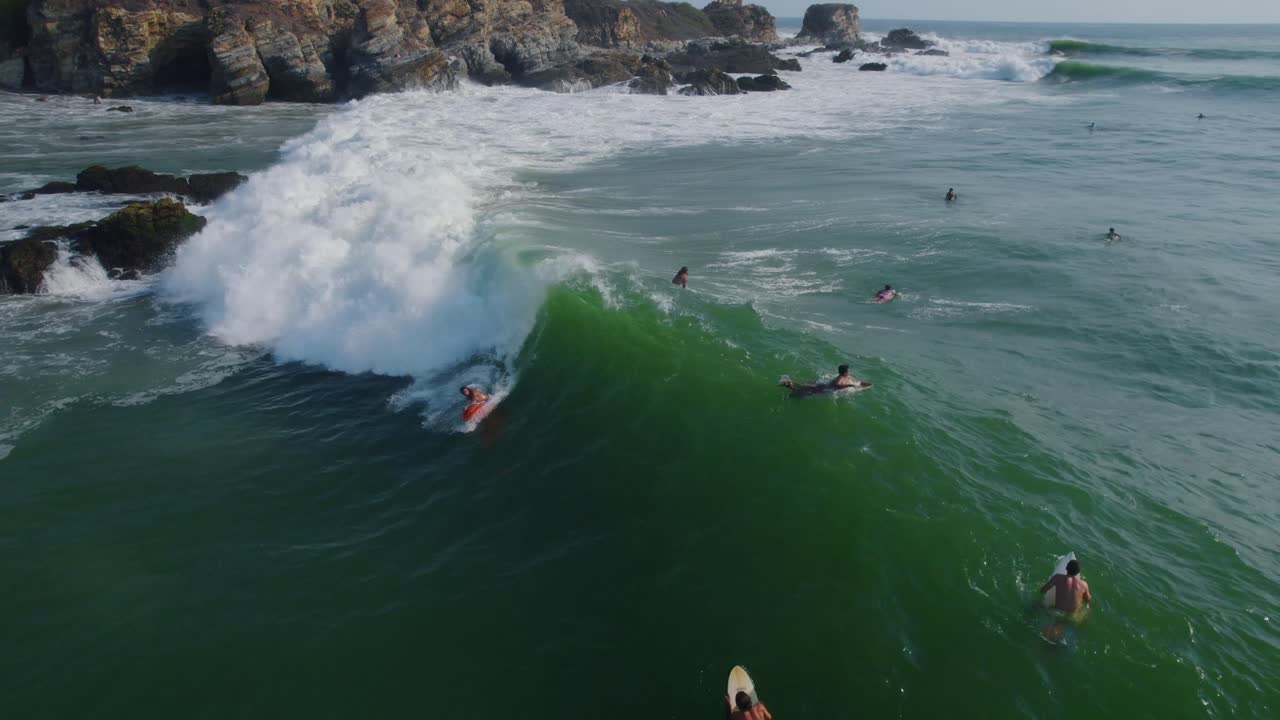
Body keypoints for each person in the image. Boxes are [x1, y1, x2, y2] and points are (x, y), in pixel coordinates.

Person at [1039, 558, 1093, 642]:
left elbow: (1042, 591)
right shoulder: (1084, 584)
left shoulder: (1057, 577)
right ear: (1078, 572)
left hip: (1057, 611)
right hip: (1072, 615)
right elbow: (1087, 600)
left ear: (1066, 568)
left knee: (1049, 634)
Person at [779, 364, 871, 396]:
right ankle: (788, 384)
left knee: (805, 389)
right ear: (844, 372)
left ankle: (790, 384)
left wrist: (864, 384)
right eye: (848, 370)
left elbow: (856, 382)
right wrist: (850, 385)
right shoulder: (839, 379)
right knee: (805, 390)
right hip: (823, 388)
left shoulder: (847, 376)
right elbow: (836, 386)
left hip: (823, 386)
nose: (849, 371)